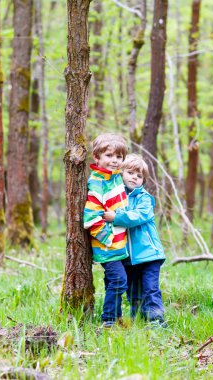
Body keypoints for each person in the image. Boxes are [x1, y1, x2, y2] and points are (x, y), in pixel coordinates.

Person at [104, 154, 166, 326]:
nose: (134, 178)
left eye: (139, 176)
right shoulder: (117, 197)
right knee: (133, 291)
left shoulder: (144, 198)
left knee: (151, 288)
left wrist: (115, 217)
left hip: (149, 255)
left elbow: (137, 216)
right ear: (121, 174)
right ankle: (137, 318)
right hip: (128, 256)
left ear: (143, 181)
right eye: (130, 173)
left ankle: (156, 319)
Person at [83, 133, 129, 327]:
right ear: (97, 157)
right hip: (108, 246)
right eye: (109, 156)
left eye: (119, 157)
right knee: (119, 281)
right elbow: (91, 218)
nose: (114, 161)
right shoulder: (98, 183)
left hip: (120, 245)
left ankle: (116, 317)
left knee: (113, 282)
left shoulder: (115, 178)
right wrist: (108, 239)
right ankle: (108, 320)